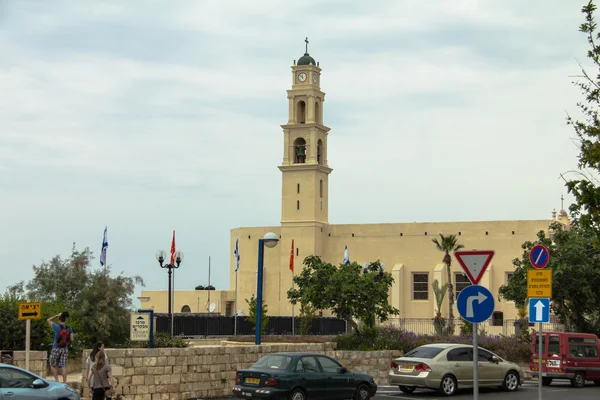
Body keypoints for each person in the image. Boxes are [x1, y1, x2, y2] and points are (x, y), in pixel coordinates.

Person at [47, 312, 74, 382]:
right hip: (65, 349)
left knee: (52, 364)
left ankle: (57, 380)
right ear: (64, 320)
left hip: (56, 348)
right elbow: (72, 339)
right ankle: (64, 382)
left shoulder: (56, 327)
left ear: (59, 320)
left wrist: (56, 315)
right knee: (63, 366)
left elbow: (48, 320)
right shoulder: (69, 328)